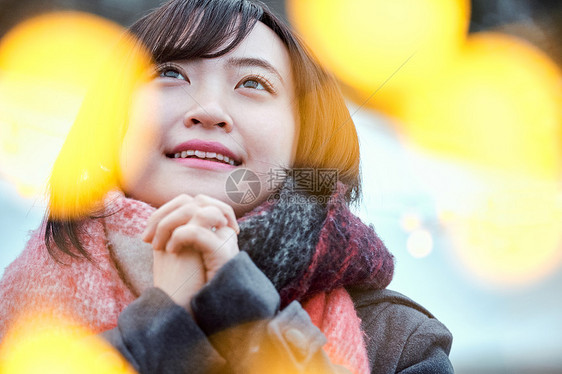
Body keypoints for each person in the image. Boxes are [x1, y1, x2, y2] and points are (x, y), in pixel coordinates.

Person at [0, 0, 454, 373]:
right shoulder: (16, 324)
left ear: (303, 138)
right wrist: (165, 324)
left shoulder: (399, 342)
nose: (210, 110)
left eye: (253, 82)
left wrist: (243, 314)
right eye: (170, 74)